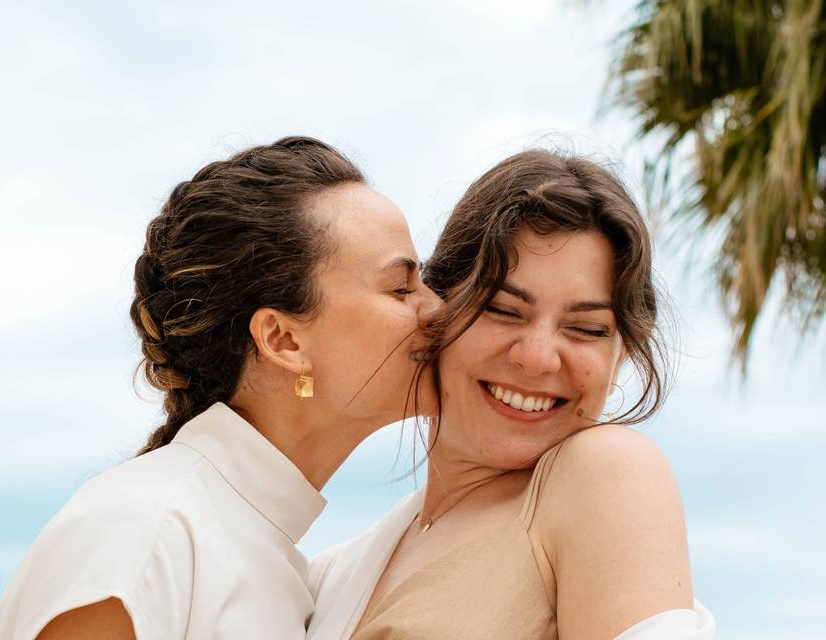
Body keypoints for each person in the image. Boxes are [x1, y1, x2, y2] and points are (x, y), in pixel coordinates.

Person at [0, 136, 441, 640]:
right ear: (283, 339)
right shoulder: (141, 538)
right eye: (402, 288)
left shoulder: (271, 560)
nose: (438, 309)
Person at [307, 150, 716, 639]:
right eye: (503, 310)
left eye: (585, 328)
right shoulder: (328, 578)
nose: (539, 357)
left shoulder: (605, 472)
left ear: (622, 351)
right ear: (439, 308)